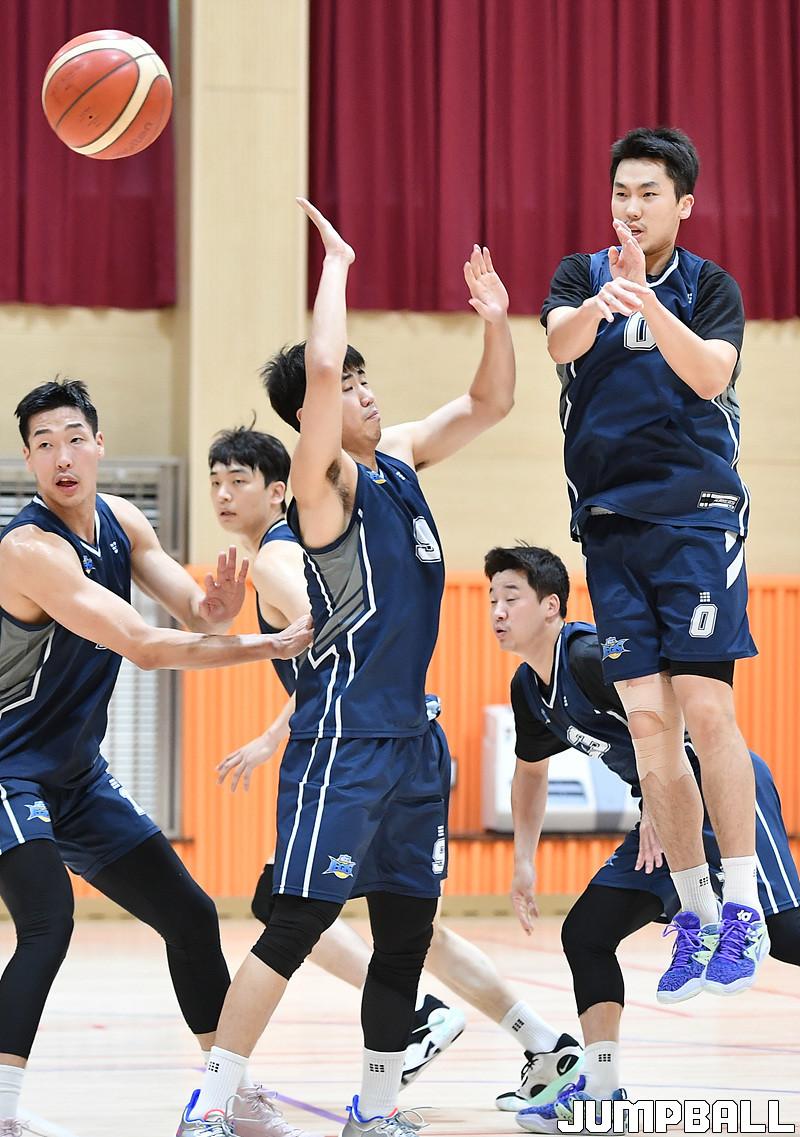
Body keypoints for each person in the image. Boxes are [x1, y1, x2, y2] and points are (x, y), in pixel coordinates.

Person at [176, 196, 516, 1137]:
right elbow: (320, 368)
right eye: (352, 384)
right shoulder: (322, 488)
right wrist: (338, 265)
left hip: (413, 741)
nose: (365, 392)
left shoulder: (398, 462)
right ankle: (210, 1103)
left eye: (369, 381)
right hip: (344, 744)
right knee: (294, 924)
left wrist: (496, 323)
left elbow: (490, 403)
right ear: (315, 417)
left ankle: (375, 1107)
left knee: (406, 933)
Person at [208, 426, 582, 1108]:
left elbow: (338, 644)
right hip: (395, 743)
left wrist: (270, 734)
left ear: (279, 489)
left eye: (239, 480)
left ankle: (415, 1024)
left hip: (370, 750)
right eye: (215, 483)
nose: (224, 494)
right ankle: (539, 1040)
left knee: (293, 911)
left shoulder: (279, 555)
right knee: (407, 927)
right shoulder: (296, 547)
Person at [0, 380, 312, 1137]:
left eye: (74, 439)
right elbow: (142, 645)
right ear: (28, 460)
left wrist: (219, 607)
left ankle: (226, 1095)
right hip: (8, 769)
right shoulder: (27, 550)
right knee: (47, 921)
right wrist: (268, 643)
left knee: (190, 915)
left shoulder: (123, 521)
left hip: (77, 778)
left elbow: (196, 612)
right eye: (44, 445)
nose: (62, 457)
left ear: (99, 445)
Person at [540, 126, 767, 1000]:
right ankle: (695, 911)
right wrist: (607, 300)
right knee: (646, 726)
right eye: (621, 193)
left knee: (706, 708)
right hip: (609, 526)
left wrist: (650, 301)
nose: (631, 208)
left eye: (648, 194)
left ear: (684, 204)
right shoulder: (580, 276)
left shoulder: (711, 286)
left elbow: (710, 375)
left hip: (696, 518)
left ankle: (743, 904)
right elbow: (560, 344)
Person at [485, 543, 800, 1133]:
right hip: (661, 812)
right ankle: (603, 1094)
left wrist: (660, 806)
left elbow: (674, 721)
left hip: (716, 793)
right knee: (586, 934)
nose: (498, 612)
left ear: (551, 606)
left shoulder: (589, 657)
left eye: (511, 597)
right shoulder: (529, 689)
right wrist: (523, 861)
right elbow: (530, 775)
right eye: (491, 600)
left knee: (786, 935)